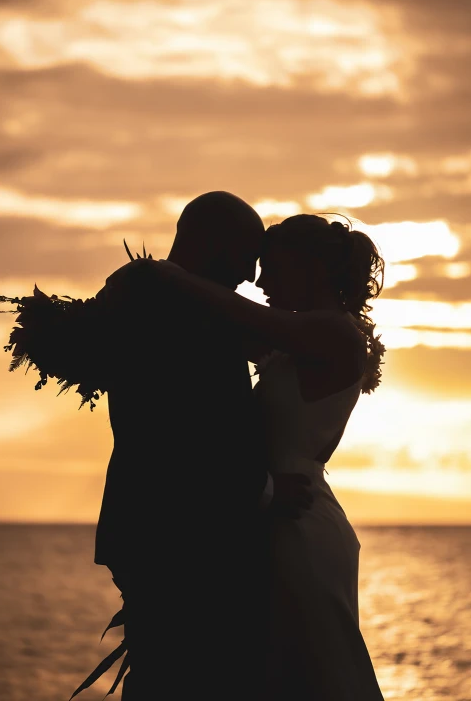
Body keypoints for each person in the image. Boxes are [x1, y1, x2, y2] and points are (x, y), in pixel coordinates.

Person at [113, 212, 386, 700]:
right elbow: (209, 331)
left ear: (312, 271)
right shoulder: (294, 339)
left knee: (314, 670)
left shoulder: (335, 335)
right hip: (273, 514)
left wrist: (173, 275)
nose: (260, 281)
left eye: (274, 268)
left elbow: (239, 315)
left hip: (299, 521)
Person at [94, 193, 313, 701]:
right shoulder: (172, 309)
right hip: (181, 539)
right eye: (247, 255)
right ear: (212, 242)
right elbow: (178, 434)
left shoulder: (169, 301)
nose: (250, 274)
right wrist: (262, 490)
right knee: (186, 676)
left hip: (168, 534)